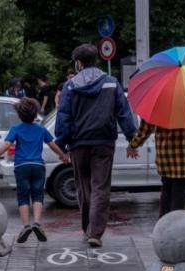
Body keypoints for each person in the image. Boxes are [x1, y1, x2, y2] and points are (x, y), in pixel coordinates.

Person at [55, 44, 137, 247]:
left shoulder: (70, 86)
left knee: (83, 188)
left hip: (79, 145)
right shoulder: (111, 83)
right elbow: (124, 113)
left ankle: (86, 229)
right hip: (103, 143)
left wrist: (62, 144)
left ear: (78, 63)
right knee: (100, 187)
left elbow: (63, 117)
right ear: (96, 60)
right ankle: (95, 233)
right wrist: (131, 139)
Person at [0, 97, 69, 243]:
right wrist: (63, 156)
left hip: (21, 167)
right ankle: (37, 223)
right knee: (38, 195)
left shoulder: (16, 129)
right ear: (35, 113)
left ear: (19, 115)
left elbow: (6, 145)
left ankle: (26, 226)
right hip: (38, 166)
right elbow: (52, 144)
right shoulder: (41, 129)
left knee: (23, 196)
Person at [127, 120, 185, 218]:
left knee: (166, 192)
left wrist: (132, 145)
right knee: (179, 198)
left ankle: (163, 224)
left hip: (165, 158)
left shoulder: (157, 105)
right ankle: (174, 225)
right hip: (184, 161)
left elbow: (145, 129)